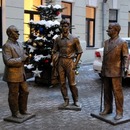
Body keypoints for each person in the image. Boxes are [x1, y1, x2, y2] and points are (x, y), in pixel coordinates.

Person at [100, 23, 129, 120]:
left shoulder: (122, 42)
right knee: (106, 91)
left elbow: (125, 57)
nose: (107, 30)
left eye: (110, 28)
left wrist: (125, 68)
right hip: (106, 70)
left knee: (117, 92)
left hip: (116, 71)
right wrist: (102, 68)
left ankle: (119, 112)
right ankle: (108, 108)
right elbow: (105, 57)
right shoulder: (106, 42)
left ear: (116, 30)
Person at [52, 19, 83, 107]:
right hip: (61, 62)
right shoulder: (57, 39)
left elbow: (80, 52)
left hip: (70, 61)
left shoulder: (74, 38)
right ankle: (66, 100)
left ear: (69, 27)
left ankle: (76, 100)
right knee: (62, 83)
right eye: (62, 26)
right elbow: (54, 50)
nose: (64, 28)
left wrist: (75, 64)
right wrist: (55, 57)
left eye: (66, 26)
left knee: (72, 83)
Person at [2, 25, 30, 118]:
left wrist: (27, 58)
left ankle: (23, 110)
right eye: (16, 32)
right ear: (10, 33)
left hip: (21, 73)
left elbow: (23, 57)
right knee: (13, 94)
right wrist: (21, 59)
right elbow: (8, 61)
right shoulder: (7, 46)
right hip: (12, 75)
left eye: (18, 31)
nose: (18, 33)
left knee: (25, 91)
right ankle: (15, 112)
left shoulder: (20, 44)